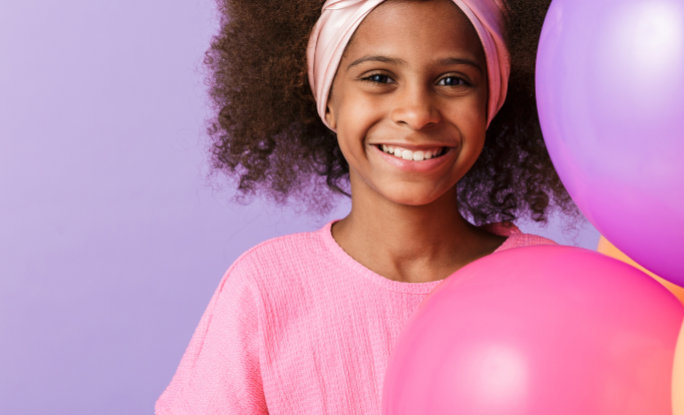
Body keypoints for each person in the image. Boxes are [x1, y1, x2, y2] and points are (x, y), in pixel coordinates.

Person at [156, 0, 574, 413]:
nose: (416, 113)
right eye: (379, 77)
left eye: (452, 80)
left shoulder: (549, 283)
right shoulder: (266, 289)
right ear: (328, 100)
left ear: (491, 100)